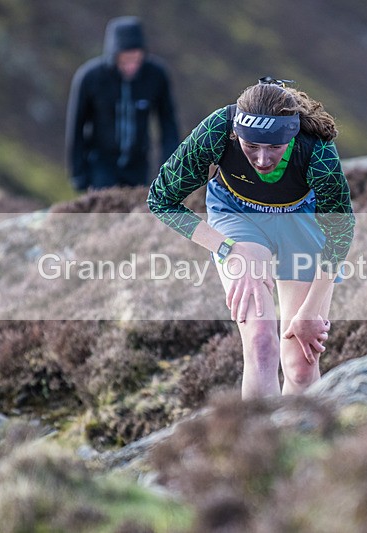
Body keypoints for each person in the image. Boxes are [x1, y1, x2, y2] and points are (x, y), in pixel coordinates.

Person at [148, 77, 355, 398]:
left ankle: (302, 429)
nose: (262, 159)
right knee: (260, 343)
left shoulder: (316, 149)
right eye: (251, 146)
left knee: (301, 364)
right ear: (236, 134)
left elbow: (340, 231)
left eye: (274, 147)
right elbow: (161, 199)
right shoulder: (217, 129)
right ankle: (259, 430)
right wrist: (228, 249)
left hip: (299, 218)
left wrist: (310, 311)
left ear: (292, 135)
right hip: (237, 215)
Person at [66, 16, 180, 191]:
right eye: (125, 60)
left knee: (139, 208)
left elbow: (168, 124)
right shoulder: (89, 78)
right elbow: (76, 127)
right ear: (114, 55)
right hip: (101, 165)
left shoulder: (156, 76)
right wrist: (78, 174)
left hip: (138, 166)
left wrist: (169, 170)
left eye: (136, 59)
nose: (131, 66)